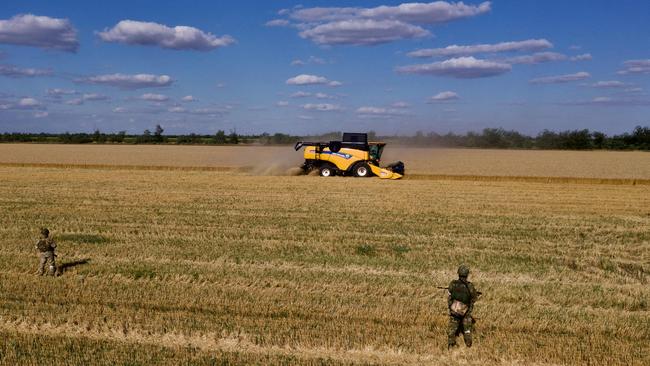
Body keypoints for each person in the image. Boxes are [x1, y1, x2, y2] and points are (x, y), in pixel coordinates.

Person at [447, 264, 479, 349]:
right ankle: (469, 346)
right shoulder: (470, 286)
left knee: (452, 329)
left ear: (458, 273)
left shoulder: (452, 284)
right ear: (467, 274)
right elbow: (474, 298)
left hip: (455, 310)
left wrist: (450, 307)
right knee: (467, 330)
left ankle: (451, 345)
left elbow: (449, 296)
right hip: (466, 312)